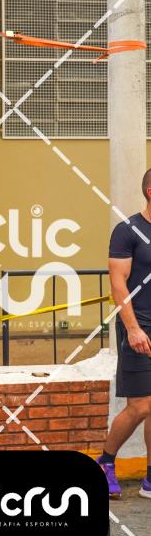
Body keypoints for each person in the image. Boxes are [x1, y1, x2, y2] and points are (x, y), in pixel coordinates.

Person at [98, 169, 151, 500]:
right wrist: (132, 328)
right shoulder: (128, 231)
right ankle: (105, 462)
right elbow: (118, 284)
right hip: (140, 326)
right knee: (141, 406)